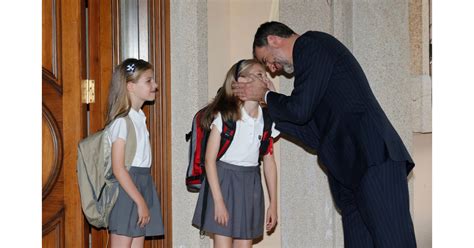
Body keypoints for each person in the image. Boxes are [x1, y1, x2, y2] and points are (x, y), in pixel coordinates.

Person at [233, 22, 417, 247]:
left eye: (266, 60)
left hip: (373, 159)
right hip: (349, 175)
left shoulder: (311, 45)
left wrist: (267, 96)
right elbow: (313, 135)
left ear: (273, 40)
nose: (272, 68)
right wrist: (261, 111)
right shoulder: (310, 74)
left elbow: (299, 110)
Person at [192, 59, 279, 248]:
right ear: (242, 81)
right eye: (259, 75)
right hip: (223, 183)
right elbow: (209, 160)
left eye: (265, 76)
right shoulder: (226, 116)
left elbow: (269, 160)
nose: (265, 78)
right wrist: (218, 201)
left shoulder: (267, 119)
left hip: (250, 185)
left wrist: (273, 203)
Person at [106, 58, 164, 247]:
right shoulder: (122, 122)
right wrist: (140, 202)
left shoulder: (139, 118)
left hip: (142, 183)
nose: (155, 85)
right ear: (130, 86)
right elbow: (118, 168)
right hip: (127, 190)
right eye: (148, 81)